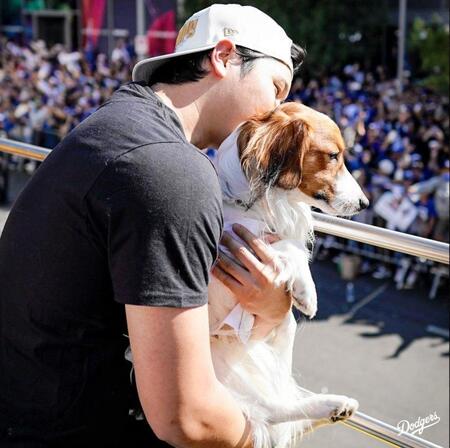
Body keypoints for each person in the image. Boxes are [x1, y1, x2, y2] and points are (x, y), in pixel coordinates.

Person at [0, 4, 305, 447]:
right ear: (223, 57)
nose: (281, 110)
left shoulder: (117, 123)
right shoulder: (170, 167)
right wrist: (261, 441)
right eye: (276, 87)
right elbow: (187, 417)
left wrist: (273, 309)